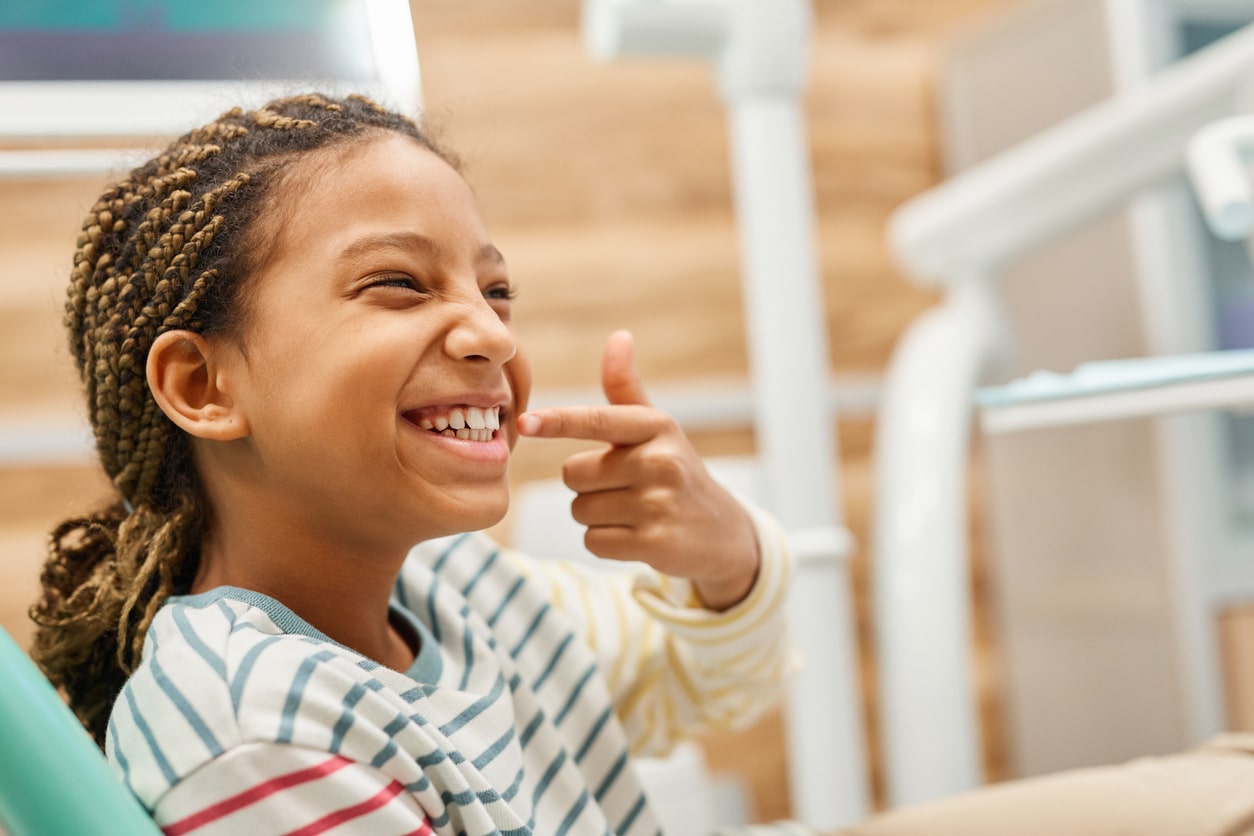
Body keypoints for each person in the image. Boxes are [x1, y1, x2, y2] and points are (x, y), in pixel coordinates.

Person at [29, 92, 797, 834]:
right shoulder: (252, 732)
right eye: (398, 283)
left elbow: (700, 682)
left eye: (496, 291)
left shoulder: (461, 588)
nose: (494, 335)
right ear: (203, 387)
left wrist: (724, 553)